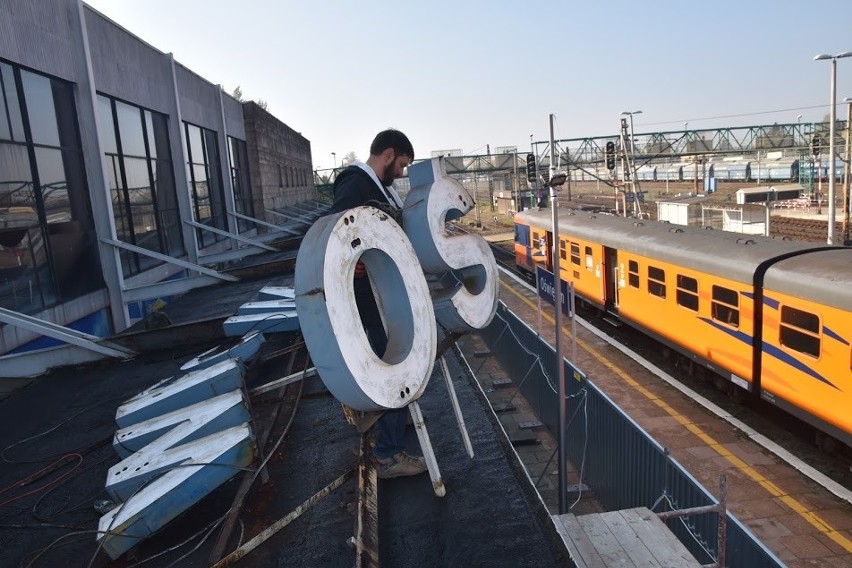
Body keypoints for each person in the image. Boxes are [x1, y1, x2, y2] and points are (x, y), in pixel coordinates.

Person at [329, 129, 427, 479]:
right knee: (393, 364)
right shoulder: (356, 186)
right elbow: (337, 234)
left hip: (381, 296)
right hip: (372, 302)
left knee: (396, 359)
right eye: (401, 165)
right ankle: (387, 454)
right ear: (388, 155)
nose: (401, 173)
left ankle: (394, 431)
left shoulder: (375, 187)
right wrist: (354, 262)